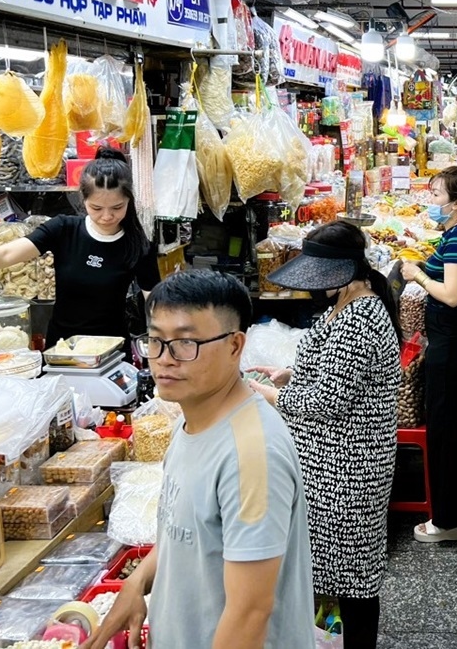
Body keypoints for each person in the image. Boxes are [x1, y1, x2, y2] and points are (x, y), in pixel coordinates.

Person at [81, 270, 315, 649]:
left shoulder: (250, 454)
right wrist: (138, 581)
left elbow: (250, 612)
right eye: (156, 341)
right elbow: (186, 534)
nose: (164, 360)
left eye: (186, 343)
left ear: (236, 346)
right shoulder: (189, 423)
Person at [252, 222, 401, 648]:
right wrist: (291, 375)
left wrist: (270, 396)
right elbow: (338, 375)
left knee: (354, 578)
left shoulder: (361, 319)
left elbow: (326, 403)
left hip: (347, 469)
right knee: (341, 570)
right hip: (330, 464)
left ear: (342, 273)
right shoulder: (348, 305)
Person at [0, 147, 159, 345]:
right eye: (96, 208)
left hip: (112, 350)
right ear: (83, 200)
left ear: (129, 201)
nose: (107, 216)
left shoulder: (138, 245)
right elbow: (7, 254)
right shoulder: (63, 229)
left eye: (117, 208)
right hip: (62, 349)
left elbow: (156, 303)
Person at [400, 168, 457, 543]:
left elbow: (451, 294)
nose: (430, 202)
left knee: (448, 428)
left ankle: (449, 522)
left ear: (456, 203)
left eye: (436, 196)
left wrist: (416, 275)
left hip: (454, 343)